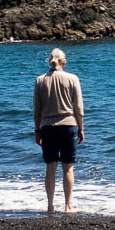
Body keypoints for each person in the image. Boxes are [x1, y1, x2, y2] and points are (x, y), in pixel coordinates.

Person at [33, 48, 85, 214]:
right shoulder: (72, 78)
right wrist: (81, 128)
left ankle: (49, 205)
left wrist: (37, 131)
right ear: (64, 62)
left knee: (50, 168)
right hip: (68, 125)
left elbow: (36, 110)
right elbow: (78, 108)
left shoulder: (40, 80)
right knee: (68, 168)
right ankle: (68, 206)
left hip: (47, 127)